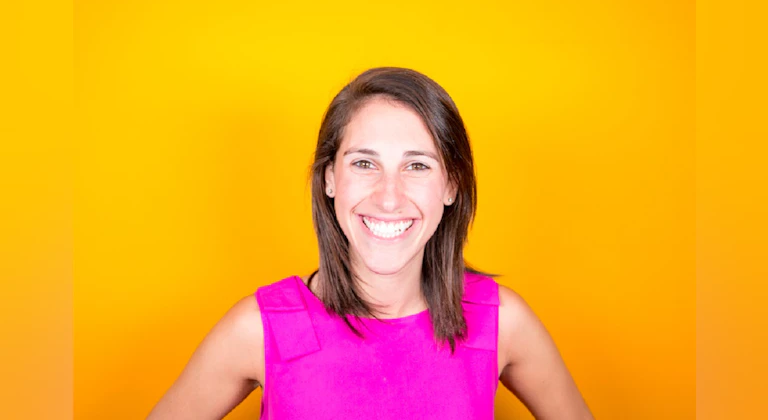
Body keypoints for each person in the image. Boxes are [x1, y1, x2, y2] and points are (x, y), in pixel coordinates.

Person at [146, 67, 594, 419]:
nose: (389, 196)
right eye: (364, 162)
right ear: (329, 179)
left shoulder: (501, 321)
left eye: (417, 166)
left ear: (451, 186)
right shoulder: (259, 330)